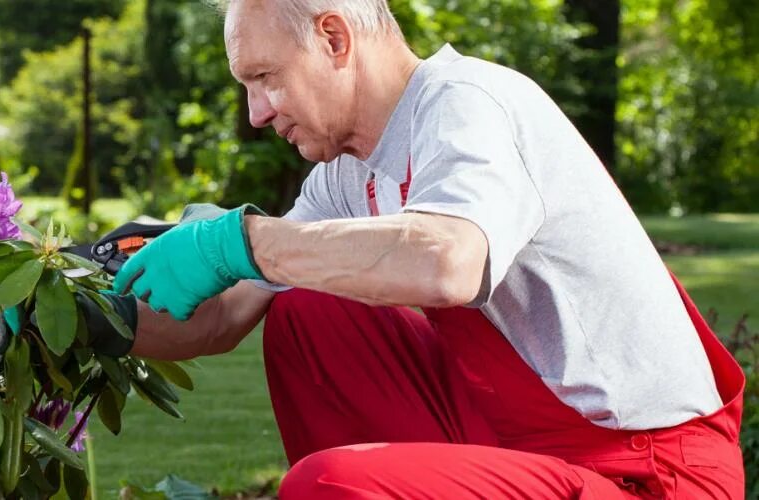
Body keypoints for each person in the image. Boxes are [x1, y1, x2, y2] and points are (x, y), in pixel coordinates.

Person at [59, 0, 742, 497]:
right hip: (517, 440)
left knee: (331, 484)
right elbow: (226, 312)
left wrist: (243, 240)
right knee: (307, 313)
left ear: (333, 37)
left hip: (647, 473)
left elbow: (449, 260)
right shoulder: (342, 176)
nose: (256, 112)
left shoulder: (467, 104)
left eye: (265, 77)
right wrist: (69, 305)